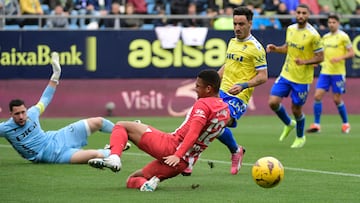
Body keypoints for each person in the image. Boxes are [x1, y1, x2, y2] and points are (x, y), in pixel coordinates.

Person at [88, 69, 231, 192]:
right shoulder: (225, 110)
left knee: (121, 126)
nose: (195, 89)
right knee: (133, 179)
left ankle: (114, 157)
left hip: (172, 148)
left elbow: (193, 133)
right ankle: (148, 184)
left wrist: (177, 154)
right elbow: (208, 134)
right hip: (182, 164)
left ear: (208, 89)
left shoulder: (203, 104)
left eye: (198, 86)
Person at [184, 6, 268, 176]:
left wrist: (243, 85)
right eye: (235, 23)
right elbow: (227, 65)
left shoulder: (256, 48)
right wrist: (213, 81)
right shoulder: (232, 42)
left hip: (239, 97)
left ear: (250, 24)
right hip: (221, 92)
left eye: (241, 24)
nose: (237, 28)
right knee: (208, 121)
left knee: (215, 121)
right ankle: (236, 150)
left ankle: (192, 156)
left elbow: (263, 76)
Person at [0, 52, 129, 164]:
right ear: (11, 114)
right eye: (17, 114)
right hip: (52, 156)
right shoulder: (5, 128)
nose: (22, 116)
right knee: (96, 155)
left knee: (98, 121)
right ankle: (114, 150)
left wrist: (55, 76)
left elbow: (45, 99)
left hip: (58, 137)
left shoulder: (32, 113)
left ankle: (124, 134)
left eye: (23, 112)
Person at [266, 4, 324, 148]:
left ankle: (300, 136)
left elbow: (321, 57)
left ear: (308, 15)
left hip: (302, 79)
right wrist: (276, 49)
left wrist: (304, 61)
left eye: (304, 13)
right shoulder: (290, 29)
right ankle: (288, 123)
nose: (300, 15)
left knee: (296, 109)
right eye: (298, 12)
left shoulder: (314, 35)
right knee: (273, 102)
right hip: (286, 73)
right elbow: (287, 48)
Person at [306, 14, 355, 134]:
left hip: (338, 73)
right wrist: (316, 62)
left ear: (338, 23)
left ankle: (345, 124)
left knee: (337, 99)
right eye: (330, 22)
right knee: (317, 96)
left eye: (333, 22)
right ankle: (316, 125)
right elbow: (321, 53)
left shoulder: (343, 37)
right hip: (325, 71)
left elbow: (352, 53)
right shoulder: (325, 38)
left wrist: (340, 58)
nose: (331, 24)